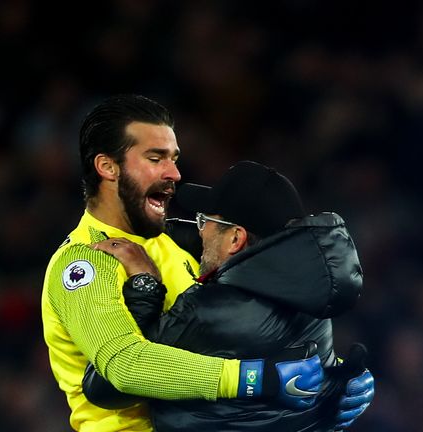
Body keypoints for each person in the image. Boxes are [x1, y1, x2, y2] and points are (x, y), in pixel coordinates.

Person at [41, 95, 325, 432]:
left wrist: (328, 383)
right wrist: (252, 378)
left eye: (174, 159)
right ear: (107, 167)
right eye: (155, 158)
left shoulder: (174, 244)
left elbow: (237, 333)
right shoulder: (84, 262)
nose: (174, 173)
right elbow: (123, 367)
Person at [83, 161, 375, 431]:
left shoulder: (208, 311)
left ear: (236, 238)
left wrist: (144, 286)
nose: (200, 232)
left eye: (205, 222)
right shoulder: (313, 299)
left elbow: (105, 387)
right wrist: (335, 382)